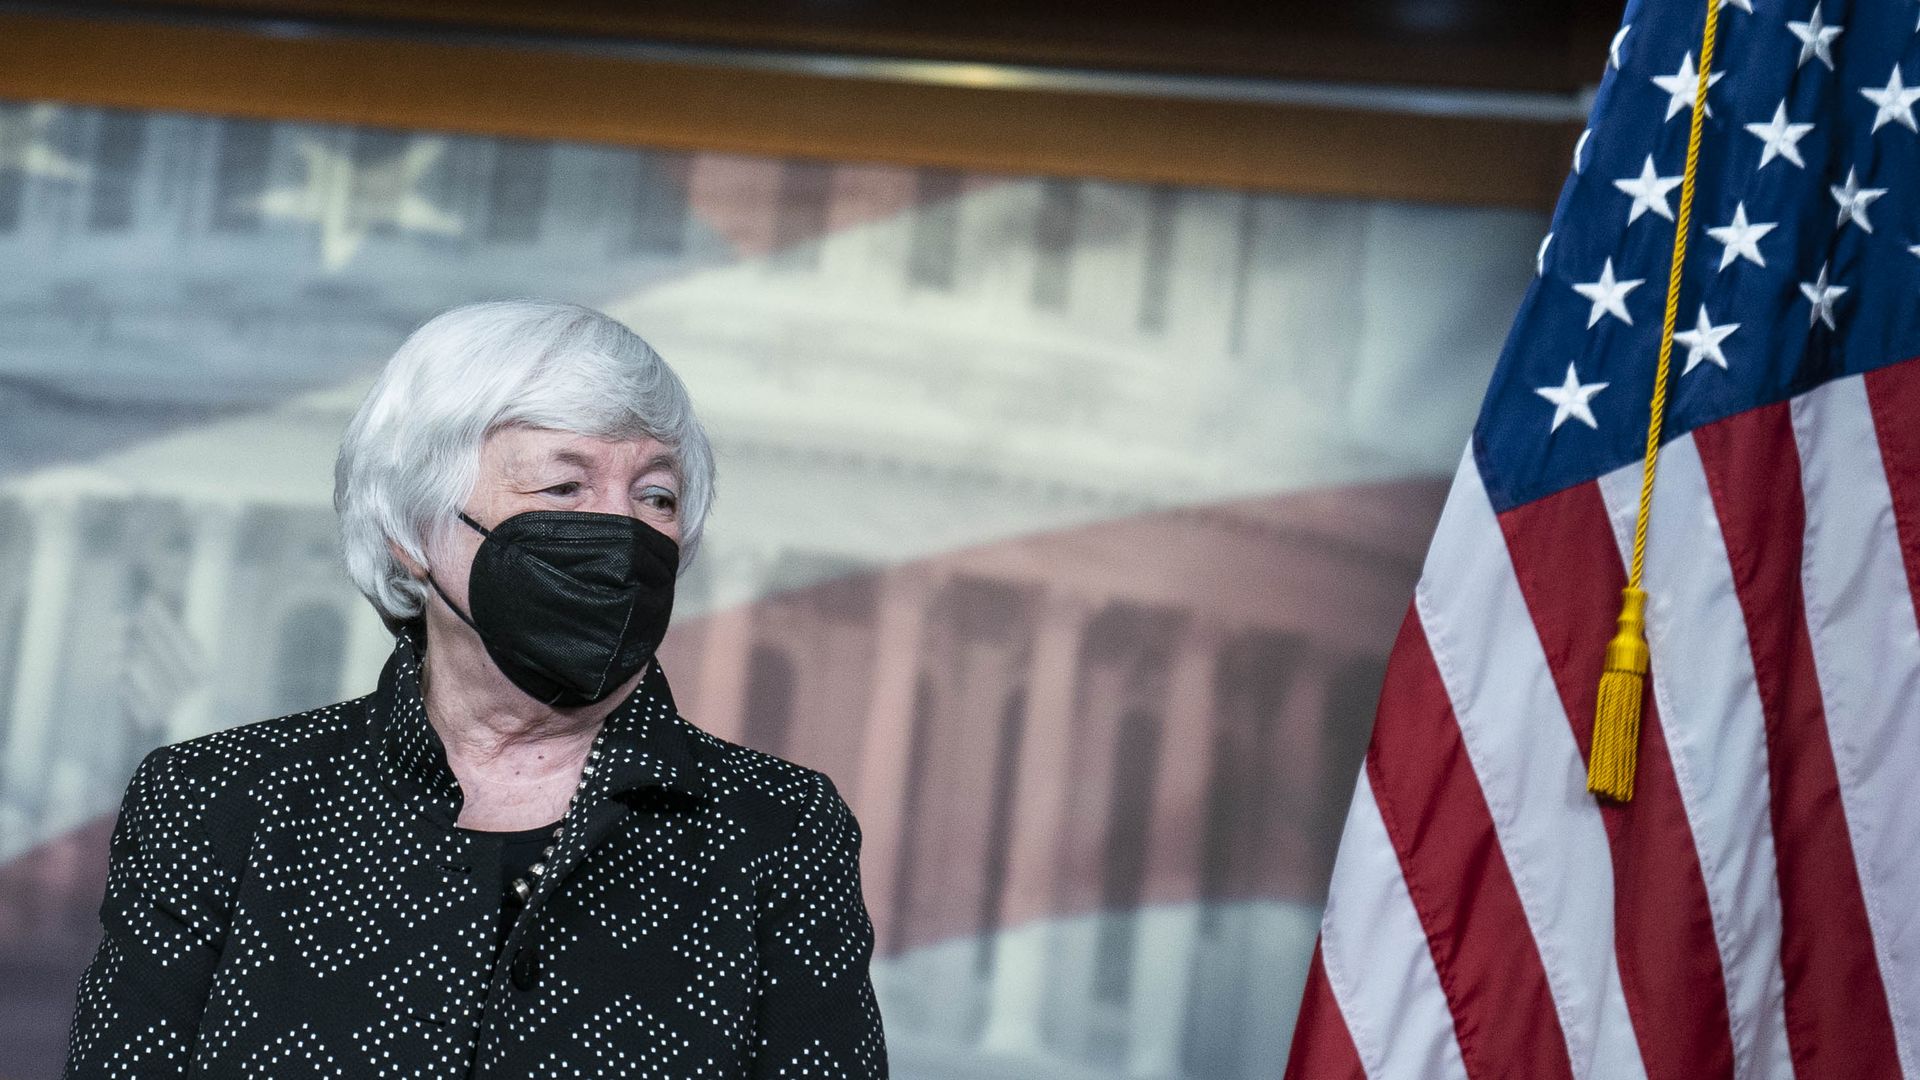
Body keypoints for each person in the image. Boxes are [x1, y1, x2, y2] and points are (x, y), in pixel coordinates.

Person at [62, 299, 887, 1078]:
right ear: (412, 532)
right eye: (564, 488)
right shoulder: (217, 802)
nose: (623, 531)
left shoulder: (779, 829)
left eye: (657, 496)